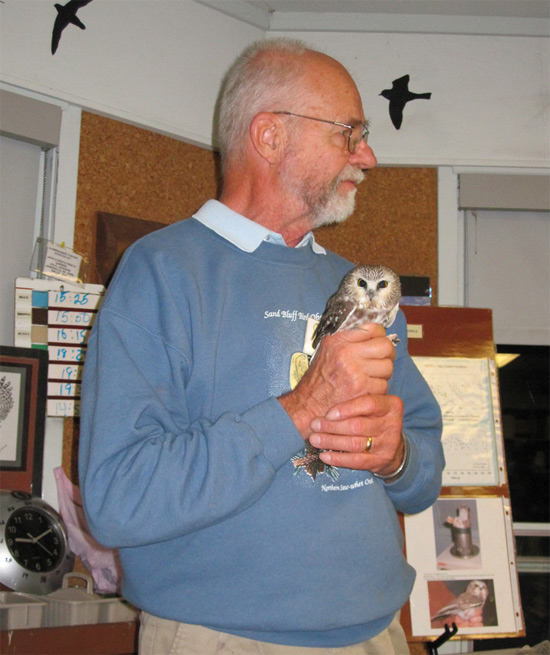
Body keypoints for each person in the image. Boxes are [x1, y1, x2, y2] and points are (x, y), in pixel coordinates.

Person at [79, 38, 444, 654]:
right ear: (270, 136)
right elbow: (119, 500)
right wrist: (297, 411)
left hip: (380, 634)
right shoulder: (161, 273)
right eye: (349, 133)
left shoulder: (362, 287)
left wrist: (395, 456)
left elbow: (424, 473)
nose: (369, 156)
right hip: (222, 640)